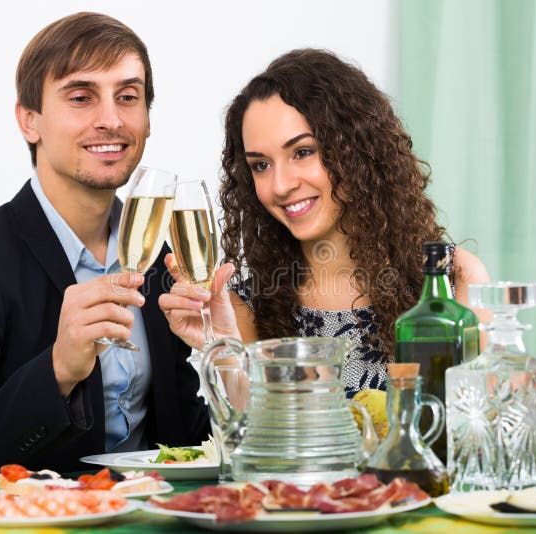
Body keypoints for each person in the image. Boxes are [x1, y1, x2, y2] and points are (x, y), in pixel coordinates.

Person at [0, 12, 208, 490]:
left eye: (128, 97)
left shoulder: (159, 257)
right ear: (30, 121)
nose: (111, 119)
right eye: (81, 97)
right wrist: (59, 371)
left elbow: (186, 443)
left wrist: (227, 360)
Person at [159, 49, 490, 397]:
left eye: (302, 152)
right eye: (261, 165)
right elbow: (258, 442)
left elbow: (485, 426)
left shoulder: (453, 282)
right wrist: (223, 350)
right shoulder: (246, 307)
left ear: (357, 149)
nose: (281, 185)